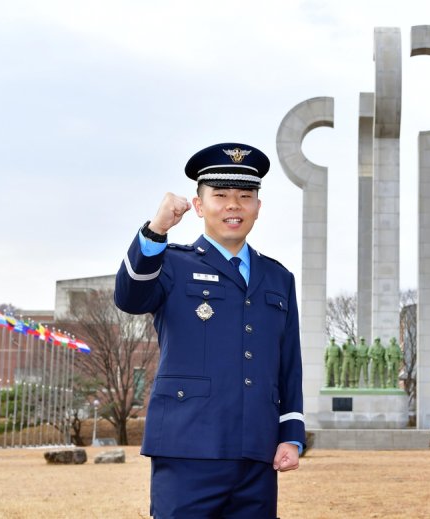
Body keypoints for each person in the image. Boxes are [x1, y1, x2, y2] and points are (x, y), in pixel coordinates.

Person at [114, 142, 305, 518]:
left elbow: (288, 364)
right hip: (188, 446)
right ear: (199, 206)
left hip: (257, 451)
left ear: (258, 208)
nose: (233, 205)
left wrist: (291, 434)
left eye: (245, 196)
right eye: (220, 195)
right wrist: (156, 230)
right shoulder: (170, 262)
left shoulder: (278, 277)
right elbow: (130, 297)